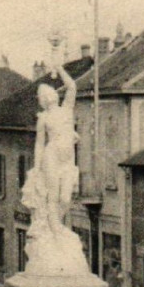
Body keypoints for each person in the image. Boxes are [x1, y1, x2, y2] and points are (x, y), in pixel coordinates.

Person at [34, 63, 80, 233]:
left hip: (67, 158)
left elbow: (72, 86)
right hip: (51, 156)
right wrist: (38, 168)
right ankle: (53, 230)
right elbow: (39, 144)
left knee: (65, 198)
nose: (49, 97)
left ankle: (52, 227)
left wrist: (59, 68)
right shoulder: (43, 118)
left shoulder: (67, 109)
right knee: (53, 197)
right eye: (44, 96)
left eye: (47, 94)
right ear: (45, 100)